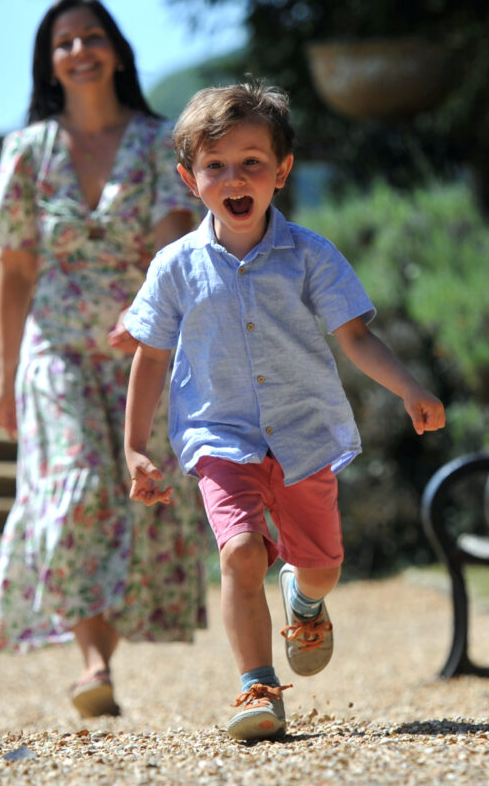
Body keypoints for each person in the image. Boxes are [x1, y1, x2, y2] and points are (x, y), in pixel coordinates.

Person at [121, 81, 446, 741]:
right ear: (190, 179)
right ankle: (256, 687)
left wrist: (408, 387)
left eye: (252, 163)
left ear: (282, 172)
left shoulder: (309, 255)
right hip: (219, 436)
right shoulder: (176, 267)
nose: (234, 177)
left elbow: (355, 335)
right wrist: (134, 444)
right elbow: (150, 355)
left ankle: (306, 598)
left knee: (322, 562)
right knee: (239, 552)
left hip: (302, 433)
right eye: (216, 166)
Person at [0, 0, 207, 719]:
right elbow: (14, 271)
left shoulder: (154, 142)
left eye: (92, 37)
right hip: (55, 352)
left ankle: (101, 653)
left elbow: (174, 250)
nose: (80, 51)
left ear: (115, 50)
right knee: (75, 487)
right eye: (64, 43)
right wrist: (4, 374)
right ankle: (92, 663)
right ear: (49, 65)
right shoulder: (28, 152)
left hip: (140, 347)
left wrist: (147, 321)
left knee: (130, 498)